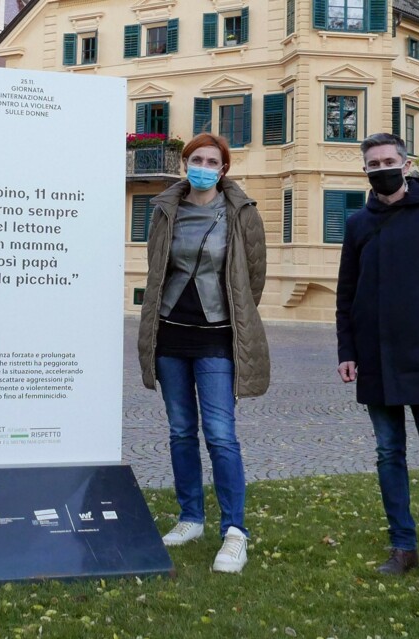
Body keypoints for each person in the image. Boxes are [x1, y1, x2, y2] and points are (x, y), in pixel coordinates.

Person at [336, 133, 419, 593]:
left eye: (389, 160)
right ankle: (403, 548)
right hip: (374, 359)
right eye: (373, 163)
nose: (382, 168)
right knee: (388, 455)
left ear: (407, 164)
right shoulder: (357, 224)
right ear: (365, 171)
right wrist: (347, 351)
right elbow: (346, 295)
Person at [138, 133, 270, 574]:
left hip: (216, 335)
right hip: (171, 334)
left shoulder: (241, 213)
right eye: (196, 158)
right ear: (185, 164)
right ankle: (191, 517)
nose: (203, 165)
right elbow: (157, 268)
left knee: (220, 433)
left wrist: (232, 318)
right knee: (180, 430)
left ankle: (235, 532)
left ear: (223, 168)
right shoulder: (165, 210)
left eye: (212, 160)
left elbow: (253, 278)